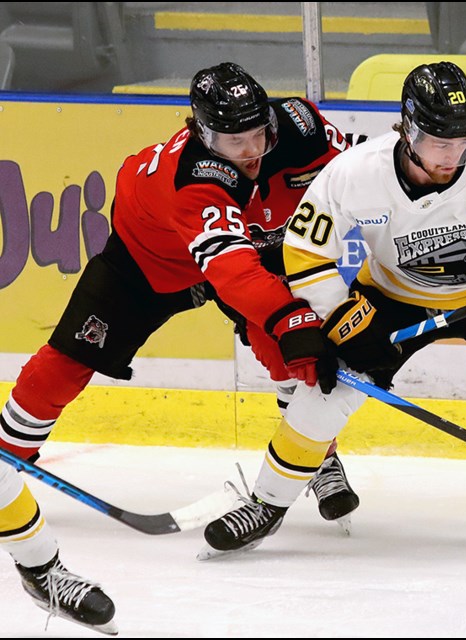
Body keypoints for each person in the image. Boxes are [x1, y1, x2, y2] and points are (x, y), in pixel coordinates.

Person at [0, 62, 359, 634]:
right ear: (202, 132)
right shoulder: (193, 177)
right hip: (151, 264)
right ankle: (6, 464)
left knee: (295, 353)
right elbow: (231, 268)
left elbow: (363, 175)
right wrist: (290, 314)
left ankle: (318, 452)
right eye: (231, 141)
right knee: (64, 365)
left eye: (257, 135)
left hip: (251, 252)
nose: (249, 151)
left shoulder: (301, 125)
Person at [201, 60, 466, 560]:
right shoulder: (354, 174)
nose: (452, 155)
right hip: (393, 295)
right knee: (328, 390)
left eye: (462, 141)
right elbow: (305, 253)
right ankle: (266, 504)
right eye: (439, 142)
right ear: (408, 129)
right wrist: (340, 316)